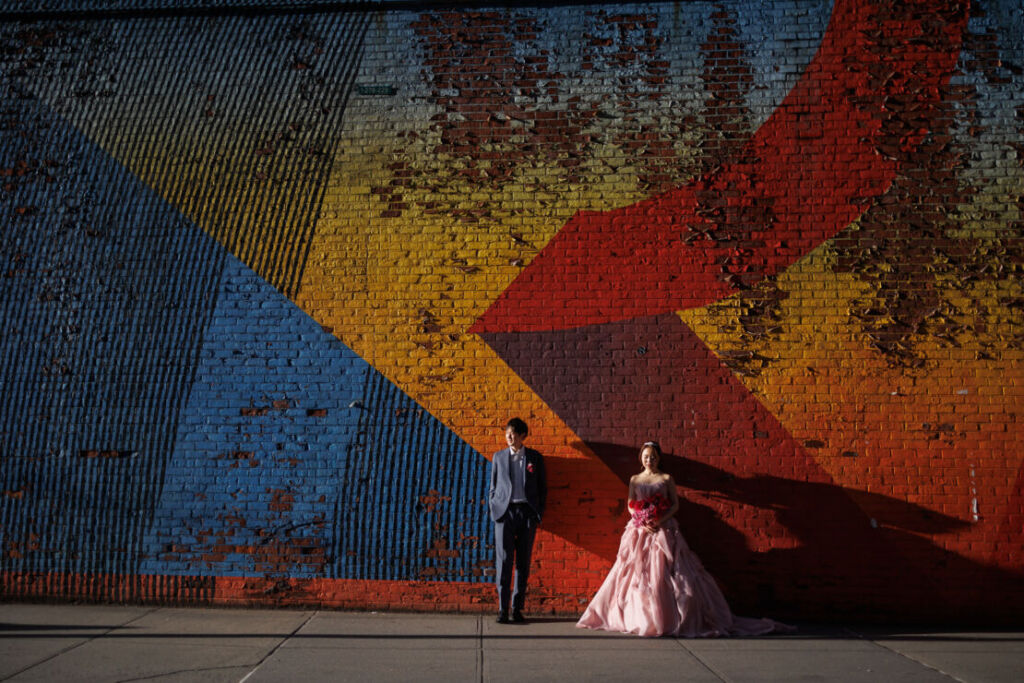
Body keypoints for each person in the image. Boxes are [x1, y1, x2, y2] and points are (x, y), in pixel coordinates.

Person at [577, 441, 792, 637]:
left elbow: (675, 505)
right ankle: (640, 615)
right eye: (645, 456)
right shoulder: (635, 479)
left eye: (652, 457)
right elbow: (631, 504)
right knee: (635, 571)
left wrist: (659, 519)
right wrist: (641, 521)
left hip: (663, 528)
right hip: (640, 530)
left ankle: (668, 617)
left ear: (658, 458)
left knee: (669, 570)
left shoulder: (666, 478)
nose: (649, 460)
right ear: (640, 458)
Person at [489, 417, 547, 623]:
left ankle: (517, 609)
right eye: (507, 433)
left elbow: (542, 488)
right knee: (504, 561)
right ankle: (502, 609)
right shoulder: (498, 457)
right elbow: (493, 486)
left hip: (527, 514)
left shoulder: (535, 458)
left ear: (523, 435)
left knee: (523, 563)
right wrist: (495, 508)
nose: (509, 437)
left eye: (513, 433)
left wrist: (537, 513)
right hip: (504, 514)